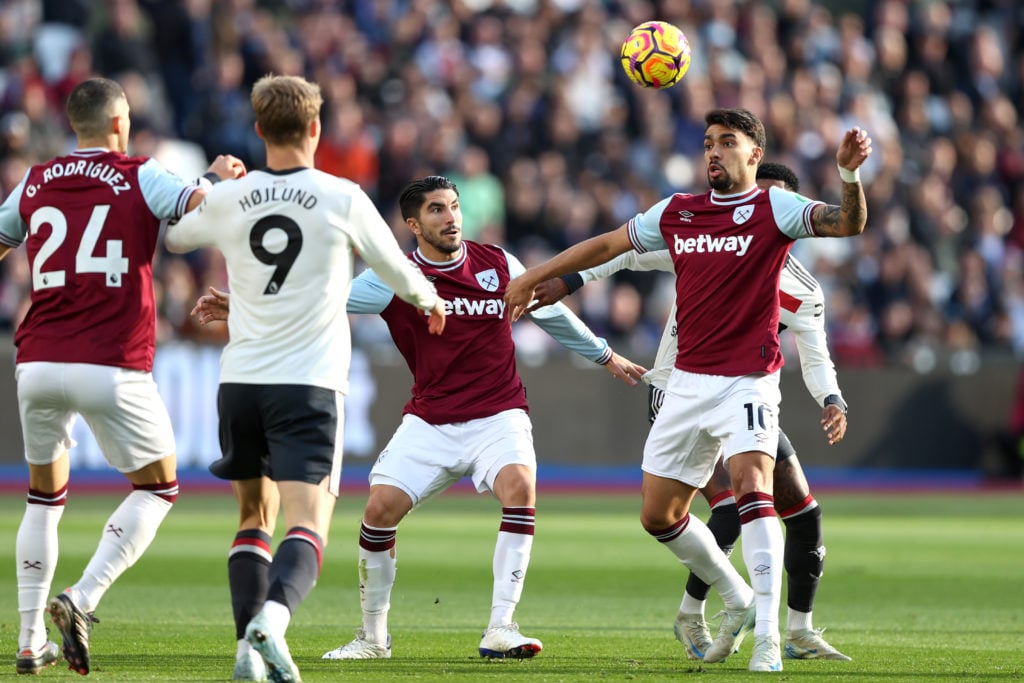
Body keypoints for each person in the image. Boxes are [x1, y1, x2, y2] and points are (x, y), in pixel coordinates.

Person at [192, 175, 647, 664]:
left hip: (499, 414)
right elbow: (316, 305)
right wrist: (241, 306)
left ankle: (501, 626)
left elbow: (550, 313)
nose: (451, 218)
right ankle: (372, 639)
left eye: (454, 207)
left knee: (521, 488)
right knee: (377, 514)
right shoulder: (393, 278)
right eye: (436, 210)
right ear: (413, 224)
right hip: (430, 420)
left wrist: (605, 356)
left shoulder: (498, 263)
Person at [505, 108, 871, 672]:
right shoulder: (679, 213)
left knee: (753, 489)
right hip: (682, 384)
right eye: (708, 143)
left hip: (748, 382)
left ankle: (772, 640)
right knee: (658, 516)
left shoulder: (775, 210)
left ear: (754, 155)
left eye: (728, 142)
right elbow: (611, 247)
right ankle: (734, 596)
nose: (714, 152)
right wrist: (538, 278)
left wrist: (848, 176)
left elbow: (846, 225)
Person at [164, 75, 446, 683]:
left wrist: (213, 182)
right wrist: (429, 299)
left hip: (239, 381)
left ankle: (247, 648)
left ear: (259, 130)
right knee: (307, 525)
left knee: (250, 519)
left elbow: (175, 233)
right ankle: (273, 618)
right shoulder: (340, 195)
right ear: (317, 128)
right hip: (309, 383)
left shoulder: (231, 198)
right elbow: (396, 268)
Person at [0, 76, 244, 676]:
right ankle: (82, 597)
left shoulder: (33, 180)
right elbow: (191, 205)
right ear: (119, 123)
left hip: (36, 359)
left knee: (43, 497)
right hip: (110, 360)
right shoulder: (139, 171)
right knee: (159, 487)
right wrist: (217, 176)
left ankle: (30, 642)